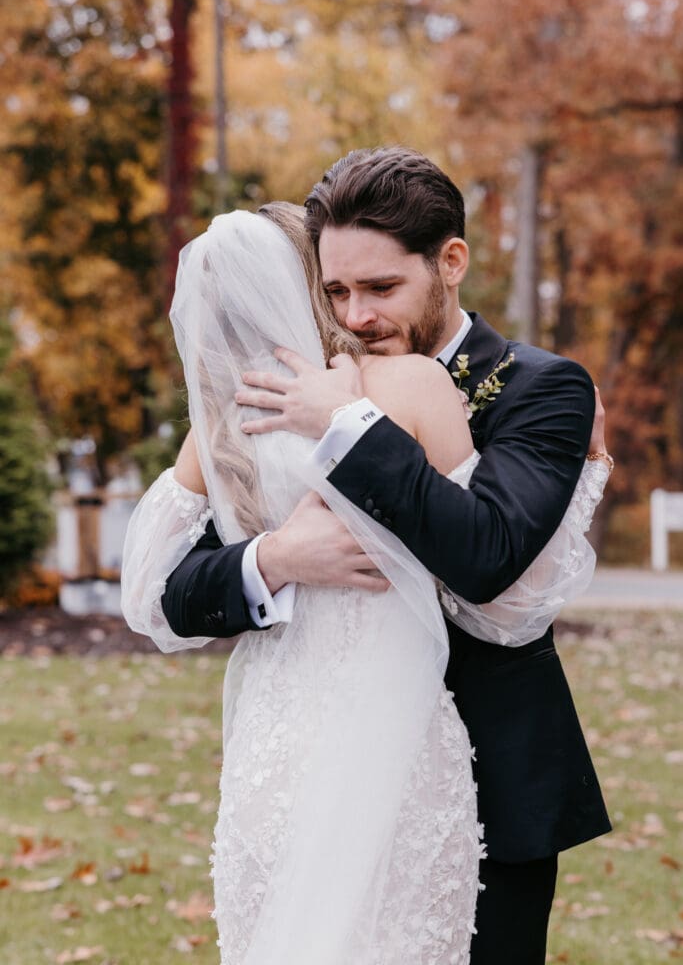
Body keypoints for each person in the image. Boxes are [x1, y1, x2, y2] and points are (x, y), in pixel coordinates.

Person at [155, 150, 612, 965]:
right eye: (335, 291)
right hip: (319, 775)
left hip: (487, 781)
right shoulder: (283, 392)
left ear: (450, 262)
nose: (356, 315)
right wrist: (275, 559)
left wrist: (350, 425)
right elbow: (176, 588)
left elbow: (487, 559)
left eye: (380, 289)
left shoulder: (542, 388)